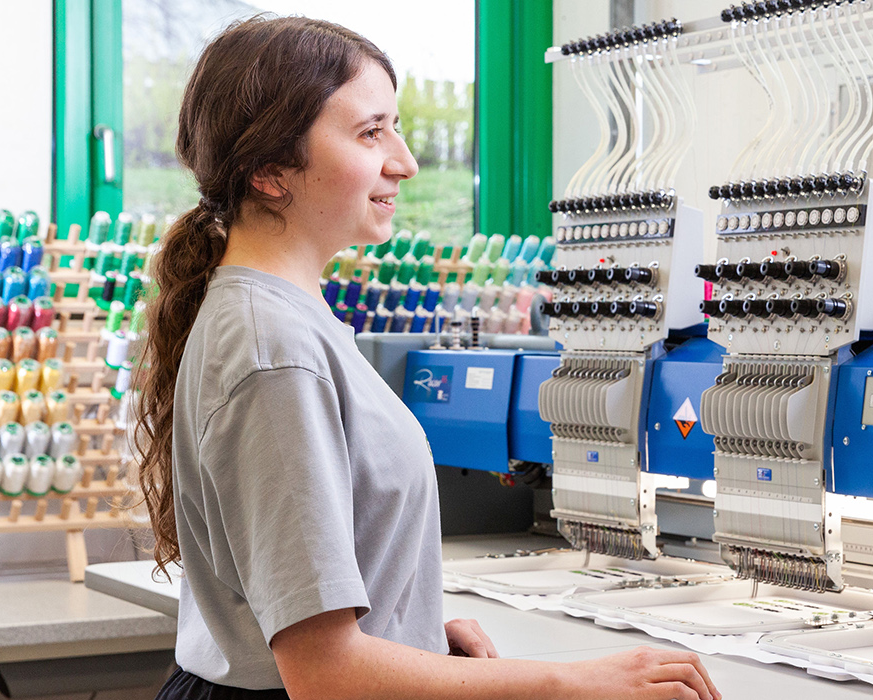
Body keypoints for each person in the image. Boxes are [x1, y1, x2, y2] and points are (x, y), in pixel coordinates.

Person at [132, 15, 720, 700]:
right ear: (269, 172)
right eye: (370, 132)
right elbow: (323, 673)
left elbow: (303, 601)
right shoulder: (275, 351)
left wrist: (413, 634)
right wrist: (568, 682)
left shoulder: (290, 320)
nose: (405, 162)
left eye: (397, 127)